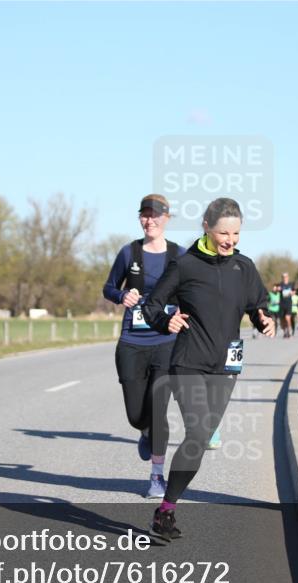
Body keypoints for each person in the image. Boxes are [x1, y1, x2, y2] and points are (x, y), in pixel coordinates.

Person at [143, 197, 275, 540]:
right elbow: (152, 306)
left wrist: (264, 320)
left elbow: (258, 305)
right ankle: (168, 509)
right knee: (200, 433)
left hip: (226, 365)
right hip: (188, 361)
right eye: (223, 232)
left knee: (199, 442)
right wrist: (165, 320)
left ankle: (164, 510)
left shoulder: (244, 267)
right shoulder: (185, 265)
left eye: (235, 233)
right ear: (206, 227)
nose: (230, 239)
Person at [102, 194, 184, 498]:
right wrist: (120, 296)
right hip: (132, 343)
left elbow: (191, 291)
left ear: (167, 218)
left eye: (156, 215)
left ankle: (156, 476)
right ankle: (144, 430)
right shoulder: (129, 253)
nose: (150, 220)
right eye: (145, 215)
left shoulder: (179, 256)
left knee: (158, 407)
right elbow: (108, 287)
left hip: (166, 342)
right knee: (136, 414)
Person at [278, 272, 295, 338]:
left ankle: (289, 330)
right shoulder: (280, 284)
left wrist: (292, 292)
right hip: (282, 304)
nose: (285, 278)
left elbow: (295, 291)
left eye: (286, 277)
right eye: (283, 277)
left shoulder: (291, 284)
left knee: (287, 318)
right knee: (282, 319)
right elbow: (276, 290)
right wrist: (278, 289)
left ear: (288, 277)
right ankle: (285, 331)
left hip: (288, 303)